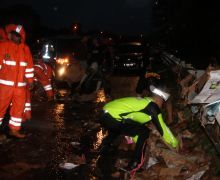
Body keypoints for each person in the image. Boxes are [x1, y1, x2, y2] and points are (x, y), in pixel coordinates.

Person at [99, 83, 178, 175]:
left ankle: (105, 147)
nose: (162, 104)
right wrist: (174, 143)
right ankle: (135, 164)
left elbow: (132, 126)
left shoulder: (143, 103)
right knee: (144, 132)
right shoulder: (152, 107)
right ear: (159, 98)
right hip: (112, 117)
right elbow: (163, 128)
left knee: (126, 128)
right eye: (162, 101)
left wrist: (135, 143)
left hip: (104, 114)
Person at [0, 24, 34, 138]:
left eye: (13, 34)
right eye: (9, 34)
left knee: (18, 109)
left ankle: (14, 130)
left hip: (20, 86)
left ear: (19, 36)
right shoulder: (3, 46)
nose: (9, 35)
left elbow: (29, 66)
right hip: (5, 85)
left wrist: (30, 80)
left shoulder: (26, 49)